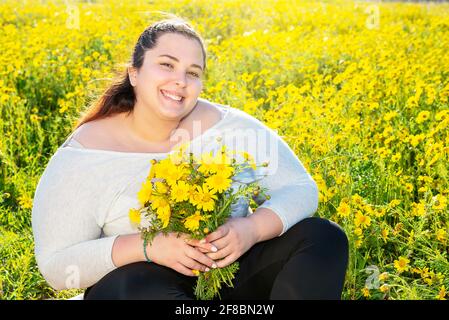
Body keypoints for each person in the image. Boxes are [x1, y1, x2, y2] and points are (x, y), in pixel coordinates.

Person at [31, 17, 349, 300]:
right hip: (141, 286)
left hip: (230, 276)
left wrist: (250, 229)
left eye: (192, 72)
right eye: (166, 65)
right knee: (136, 286)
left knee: (322, 237)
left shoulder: (231, 127)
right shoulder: (85, 155)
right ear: (134, 73)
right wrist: (147, 246)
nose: (180, 81)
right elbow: (58, 266)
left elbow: (300, 187)